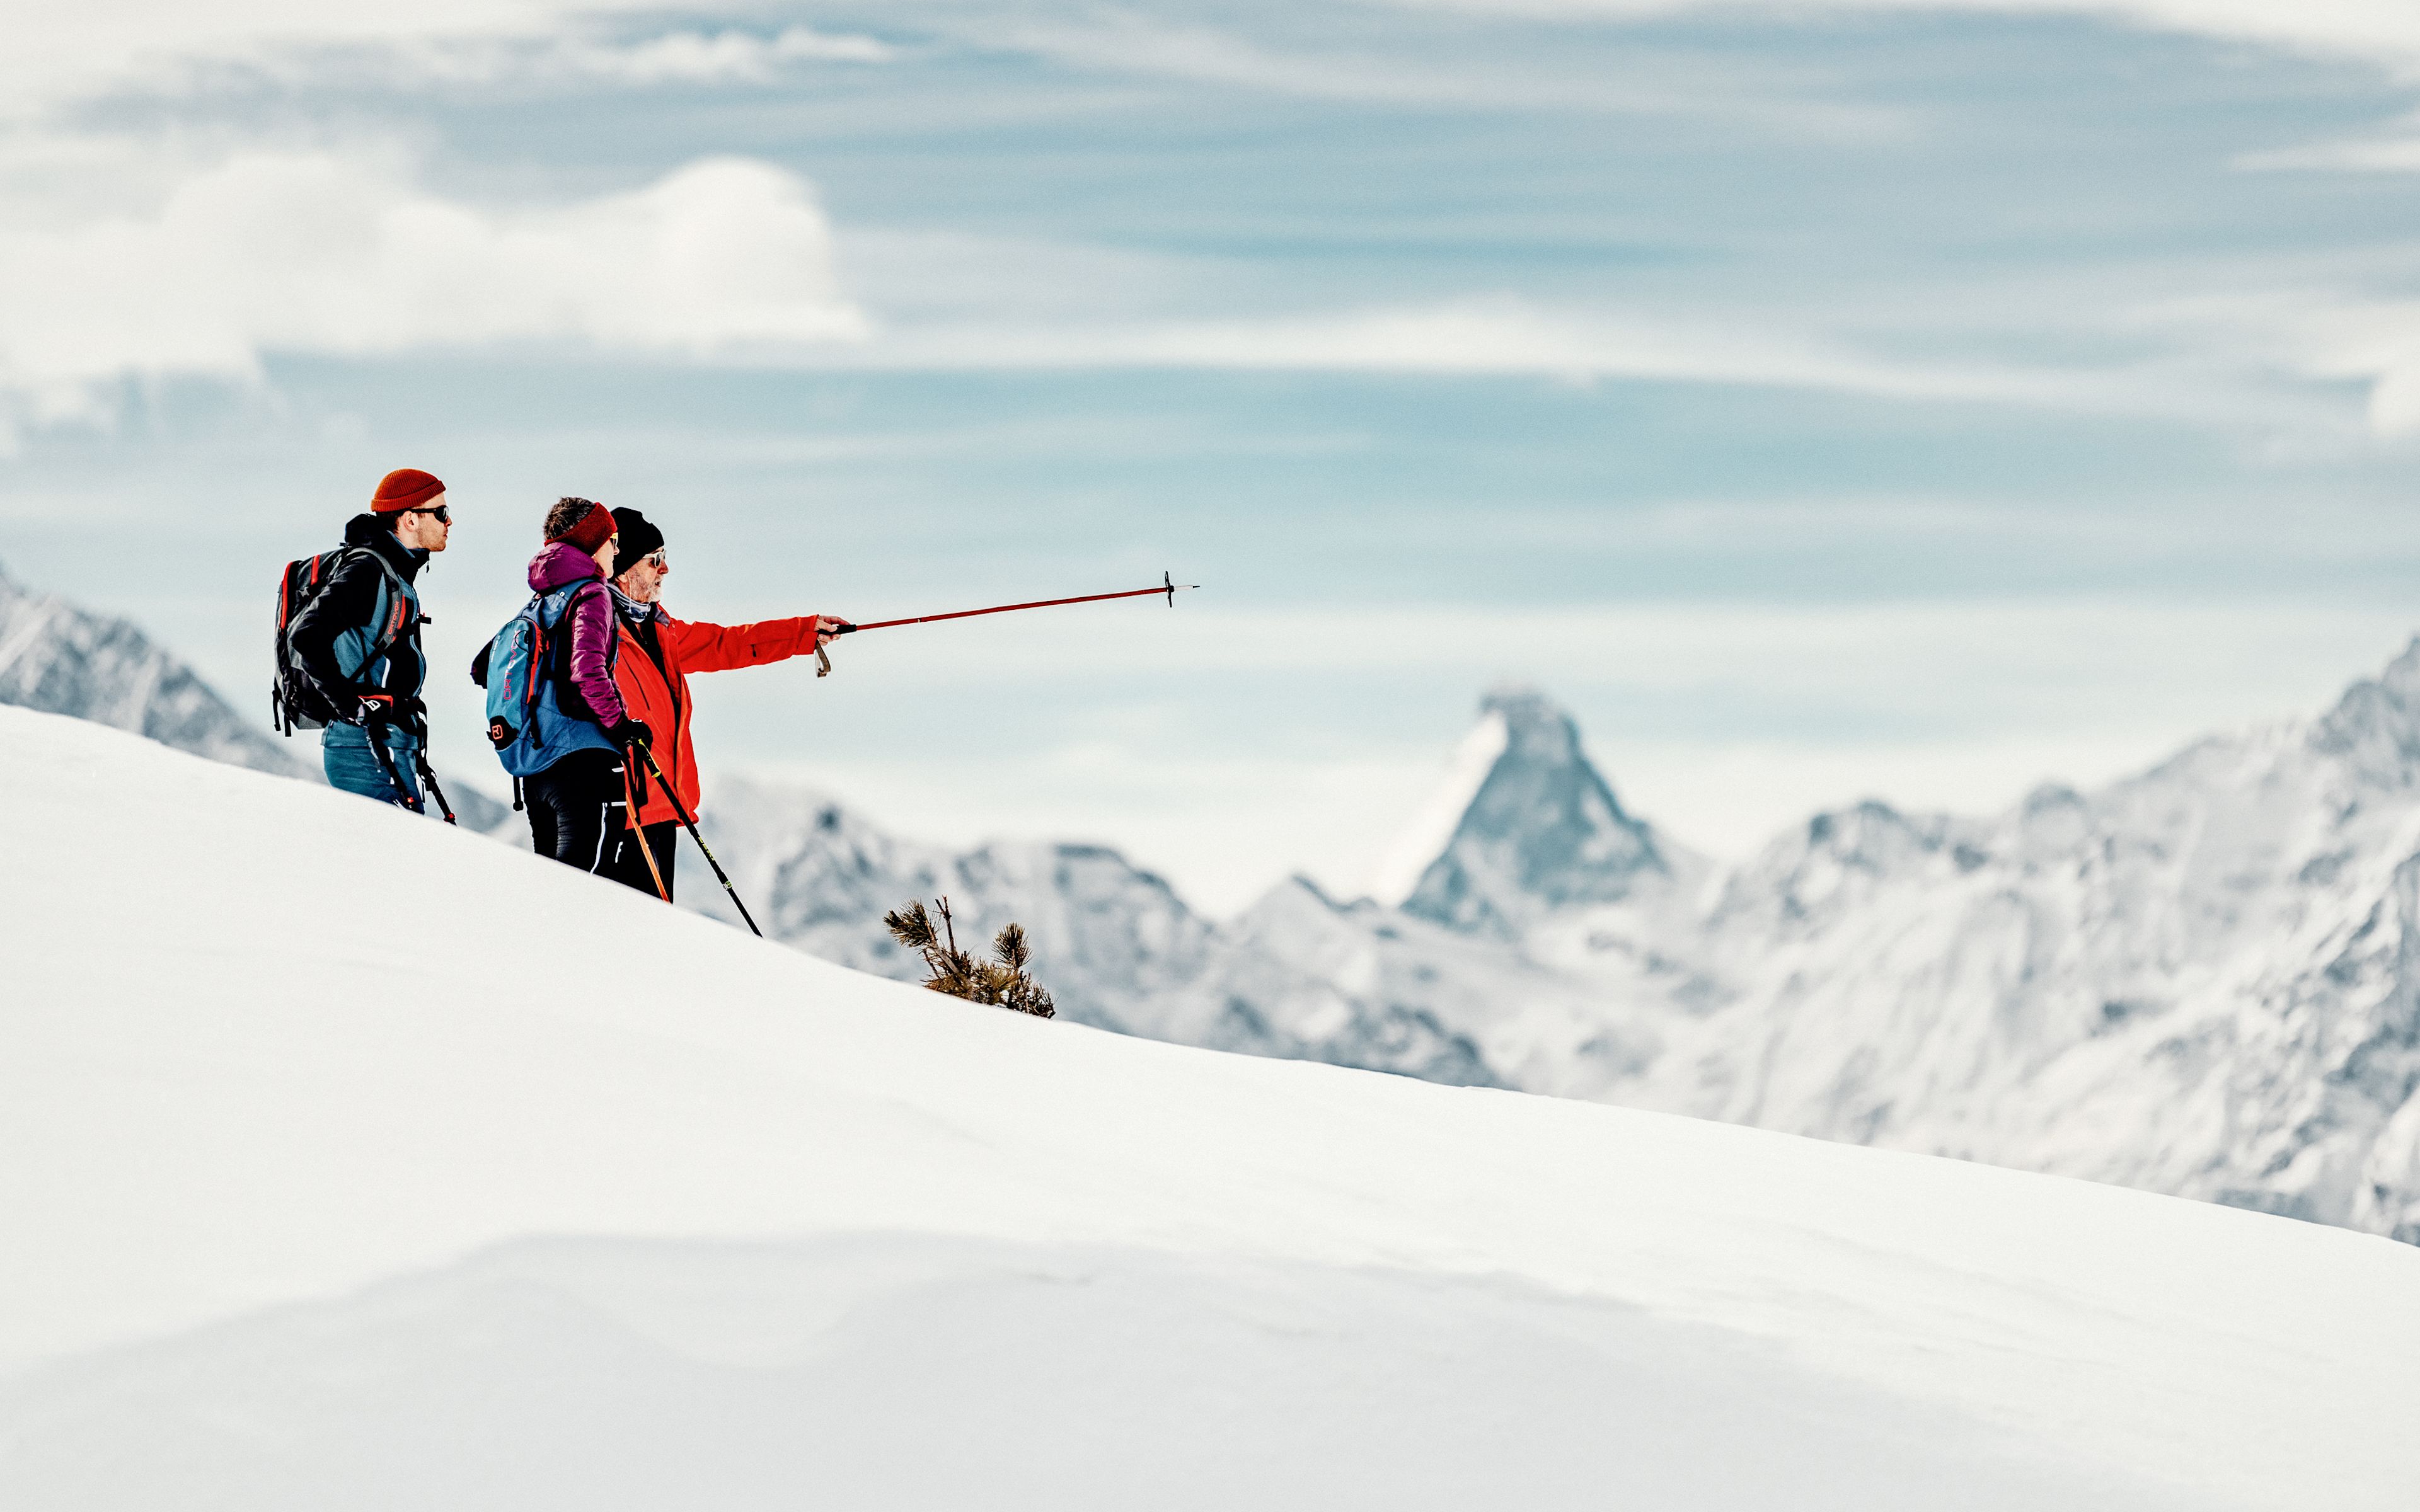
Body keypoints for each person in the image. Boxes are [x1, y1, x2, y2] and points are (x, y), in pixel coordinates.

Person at [597, 507, 839, 899]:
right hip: (621, 814)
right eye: (655, 560)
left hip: (659, 809)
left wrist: (804, 632)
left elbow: (729, 644)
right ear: (623, 570)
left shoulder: (660, 630)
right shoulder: (596, 633)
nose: (665, 570)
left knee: (650, 937)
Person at [289, 467, 452, 811]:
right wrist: (353, 708)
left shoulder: (394, 573)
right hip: (362, 747)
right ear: (410, 520)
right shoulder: (368, 570)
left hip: (384, 743)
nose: (448, 522)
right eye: (441, 513)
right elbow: (306, 636)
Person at [521, 498, 652, 871]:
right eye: (613, 540)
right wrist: (622, 726)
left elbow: (483, 667)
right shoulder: (593, 593)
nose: (617, 549)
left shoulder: (544, 595)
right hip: (577, 763)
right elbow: (588, 669)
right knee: (579, 885)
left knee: (548, 878)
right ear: (595, 543)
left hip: (536, 765)